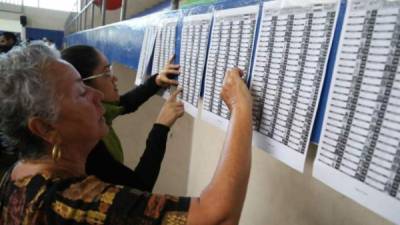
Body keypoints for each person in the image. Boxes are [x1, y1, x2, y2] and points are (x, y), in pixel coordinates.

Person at [0, 43, 252, 224]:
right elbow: (218, 216)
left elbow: (123, 104)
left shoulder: (16, 174)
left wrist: (154, 83)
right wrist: (240, 108)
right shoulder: (68, 203)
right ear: (45, 128)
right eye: (80, 92)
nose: (97, 96)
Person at [61, 45, 182, 191]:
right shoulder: (87, 144)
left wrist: (155, 81)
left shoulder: (91, 113)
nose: (114, 78)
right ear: (84, 87)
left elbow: (124, 104)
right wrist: (161, 127)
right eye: (106, 72)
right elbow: (139, 187)